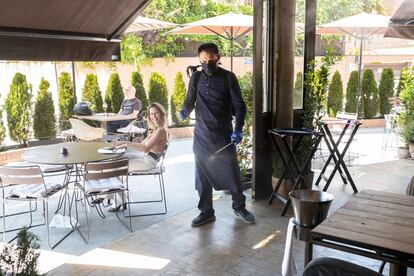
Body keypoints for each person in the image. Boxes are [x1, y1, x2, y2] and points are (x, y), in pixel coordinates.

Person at [179, 43, 255, 227]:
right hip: (201, 136)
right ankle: (206, 212)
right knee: (201, 176)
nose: (207, 63)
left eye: (210, 60)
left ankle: (239, 207)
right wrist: (184, 111)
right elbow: (190, 100)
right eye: (203, 61)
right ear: (199, 60)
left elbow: (239, 106)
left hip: (223, 135)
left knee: (232, 172)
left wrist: (238, 129)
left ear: (218, 58)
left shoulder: (228, 78)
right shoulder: (196, 77)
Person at [108, 102, 168, 212]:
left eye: (156, 113)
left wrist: (126, 144)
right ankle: (117, 197)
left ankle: (116, 199)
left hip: (148, 161)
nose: (153, 116)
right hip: (145, 157)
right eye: (151, 114)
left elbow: (145, 148)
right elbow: (142, 145)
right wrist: (124, 143)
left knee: (116, 165)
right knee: (115, 159)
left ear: (162, 114)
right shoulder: (155, 129)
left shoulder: (160, 131)